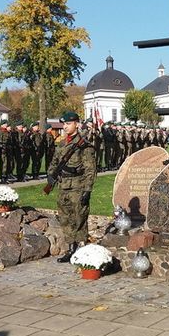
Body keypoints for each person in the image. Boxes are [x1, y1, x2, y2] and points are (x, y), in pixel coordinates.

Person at [48, 111, 96, 263]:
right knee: (65, 218)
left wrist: (87, 189)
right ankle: (70, 248)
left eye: (68, 124)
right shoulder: (61, 144)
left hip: (78, 186)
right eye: (64, 124)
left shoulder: (84, 146)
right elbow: (54, 163)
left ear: (77, 124)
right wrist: (51, 175)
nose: (65, 126)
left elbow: (90, 169)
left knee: (79, 217)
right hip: (63, 186)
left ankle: (81, 248)